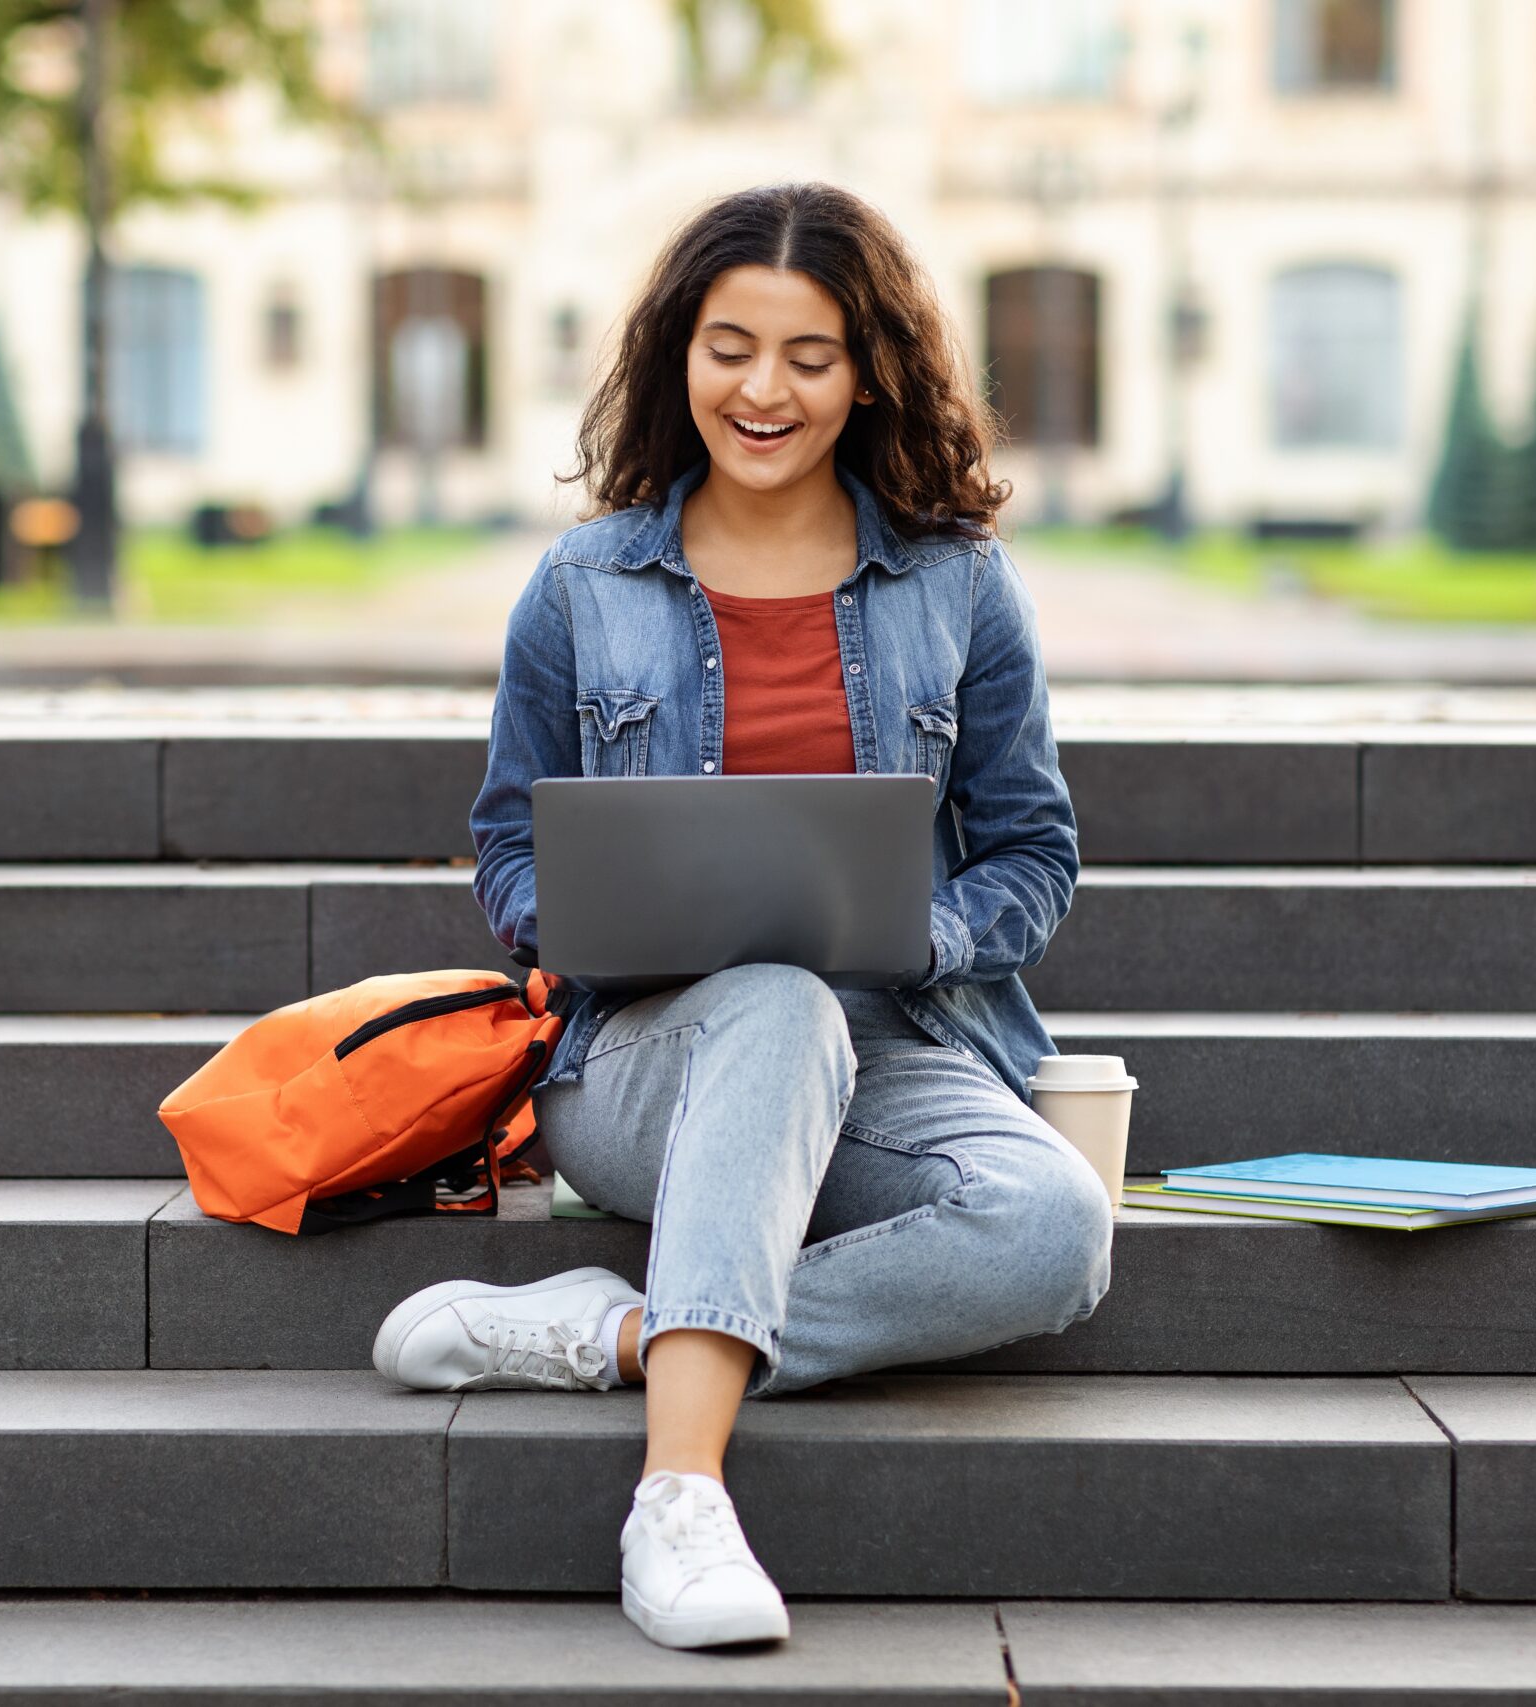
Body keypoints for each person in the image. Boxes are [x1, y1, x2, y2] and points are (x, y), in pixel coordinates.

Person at [371, 181, 1110, 1651]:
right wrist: (578, 920)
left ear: (868, 373)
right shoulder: (583, 587)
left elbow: (1033, 856)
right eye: (730, 347)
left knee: (1056, 1230)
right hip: (644, 1066)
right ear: (677, 356)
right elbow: (506, 847)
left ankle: (627, 1331)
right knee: (768, 998)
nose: (763, 390)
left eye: (810, 357)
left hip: (892, 1053)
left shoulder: (958, 582)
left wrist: (921, 935)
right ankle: (682, 1502)